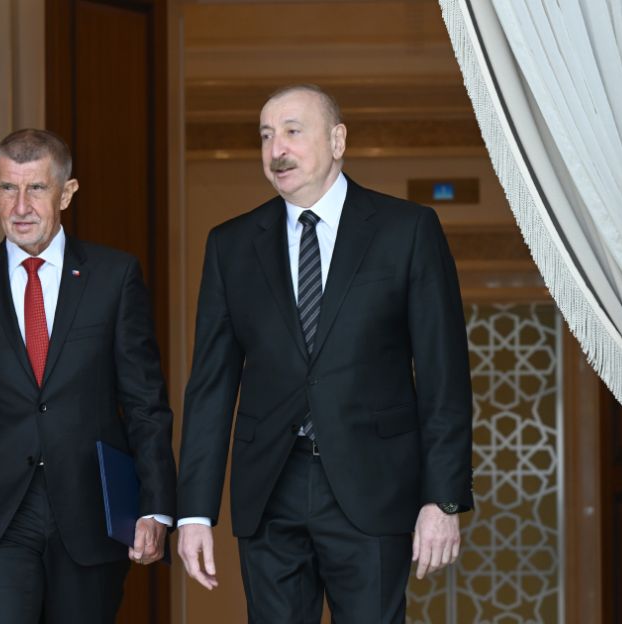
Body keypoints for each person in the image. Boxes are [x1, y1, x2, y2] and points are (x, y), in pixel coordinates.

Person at [176, 84, 473, 623]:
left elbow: (443, 376)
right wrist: (194, 512)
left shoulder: (406, 230)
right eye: (266, 136)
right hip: (269, 490)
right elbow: (210, 387)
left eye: (293, 132)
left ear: (337, 141)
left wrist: (444, 499)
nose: (276, 150)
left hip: (373, 487)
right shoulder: (231, 245)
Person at [0, 128, 176, 624]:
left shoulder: (114, 277)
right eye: (8, 188)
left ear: (66, 193)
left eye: (36, 188)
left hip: (89, 515)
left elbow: (144, 404)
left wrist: (155, 506)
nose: (20, 206)